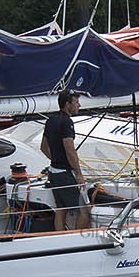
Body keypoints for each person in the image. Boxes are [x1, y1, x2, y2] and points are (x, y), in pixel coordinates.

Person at [40, 90, 89, 231]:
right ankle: (77, 241)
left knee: (61, 210)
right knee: (84, 211)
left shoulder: (51, 120)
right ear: (68, 104)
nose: (79, 105)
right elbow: (70, 150)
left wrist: (56, 159)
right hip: (65, 175)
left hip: (53, 172)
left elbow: (43, 147)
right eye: (76, 102)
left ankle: (61, 239)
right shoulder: (66, 122)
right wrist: (79, 174)